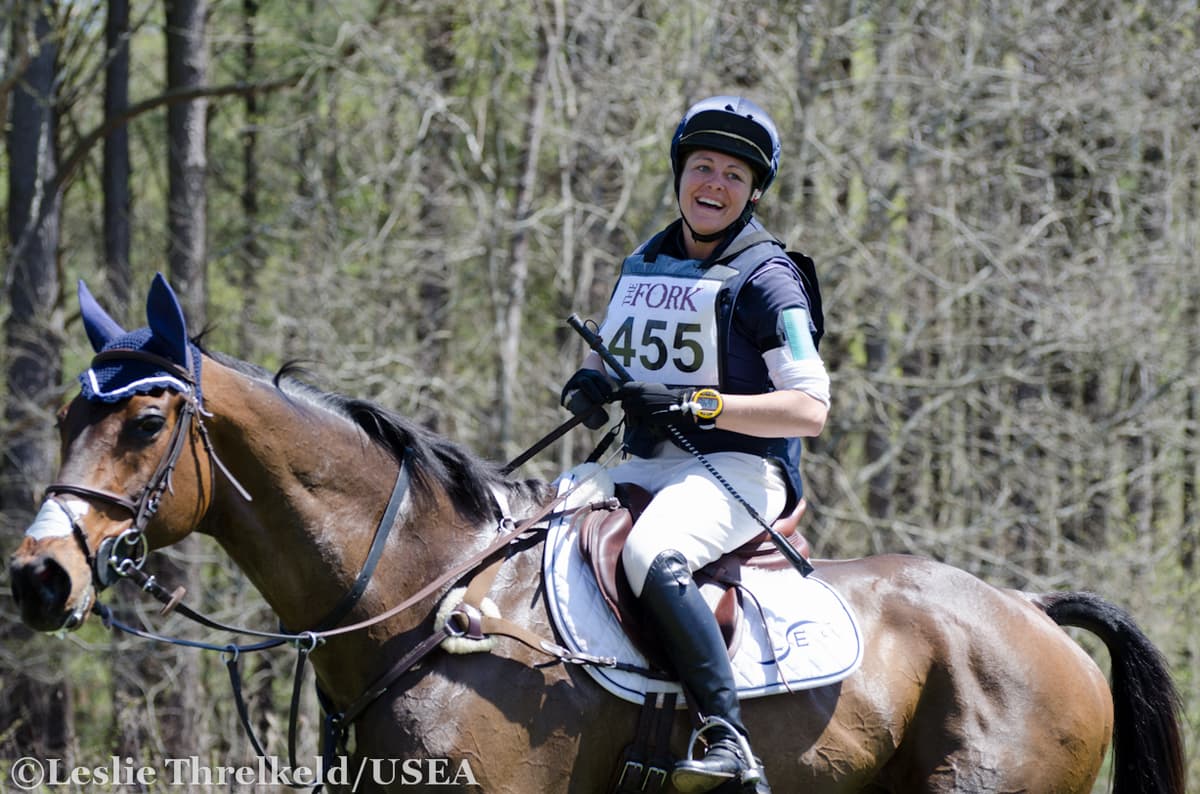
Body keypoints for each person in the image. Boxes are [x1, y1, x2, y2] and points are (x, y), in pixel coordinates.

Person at [561, 96, 830, 793]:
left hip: (740, 469)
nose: (714, 185)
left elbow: (810, 408)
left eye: (734, 175)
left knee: (653, 552)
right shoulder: (644, 261)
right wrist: (588, 384)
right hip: (646, 463)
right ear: (680, 175)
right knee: (538, 526)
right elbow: (608, 353)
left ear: (754, 193)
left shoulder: (771, 279)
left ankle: (728, 738)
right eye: (702, 167)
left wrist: (697, 404)